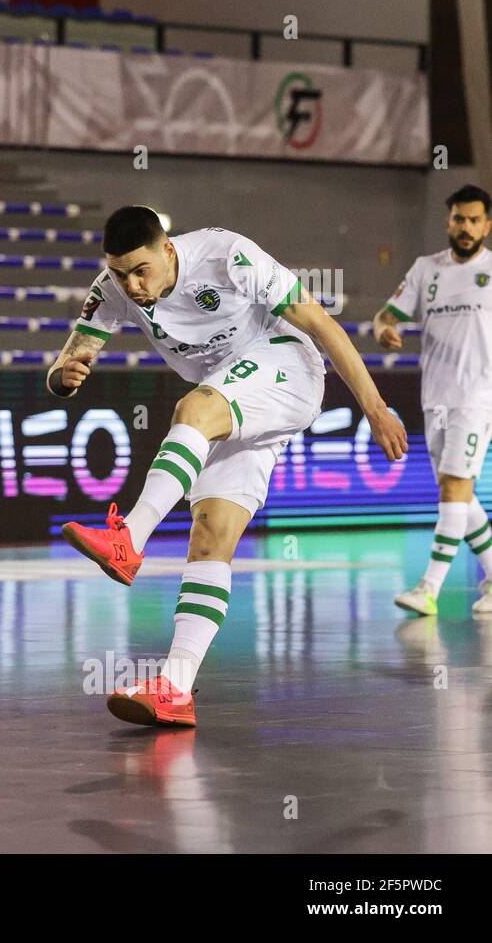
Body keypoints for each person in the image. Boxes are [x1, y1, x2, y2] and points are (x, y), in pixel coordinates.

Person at [49, 206, 407, 727]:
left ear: (168, 250)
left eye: (141, 270)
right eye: (120, 272)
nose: (133, 284)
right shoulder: (114, 287)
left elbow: (321, 324)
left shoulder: (226, 255)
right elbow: (68, 359)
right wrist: (63, 378)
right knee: (211, 532)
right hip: (234, 394)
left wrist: (375, 409)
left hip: (286, 365)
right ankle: (174, 687)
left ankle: (129, 538)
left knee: (193, 409)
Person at [377, 185, 492, 616]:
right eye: (459, 219)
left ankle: (429, 589)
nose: (466, 227)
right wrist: (385, 327)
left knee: (455, 487)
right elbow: (387, 314)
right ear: (448, 221)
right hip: (435, 399)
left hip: (478, 398)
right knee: (456, 492)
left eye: (474, 220)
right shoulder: (426, 270)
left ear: (487, 225)